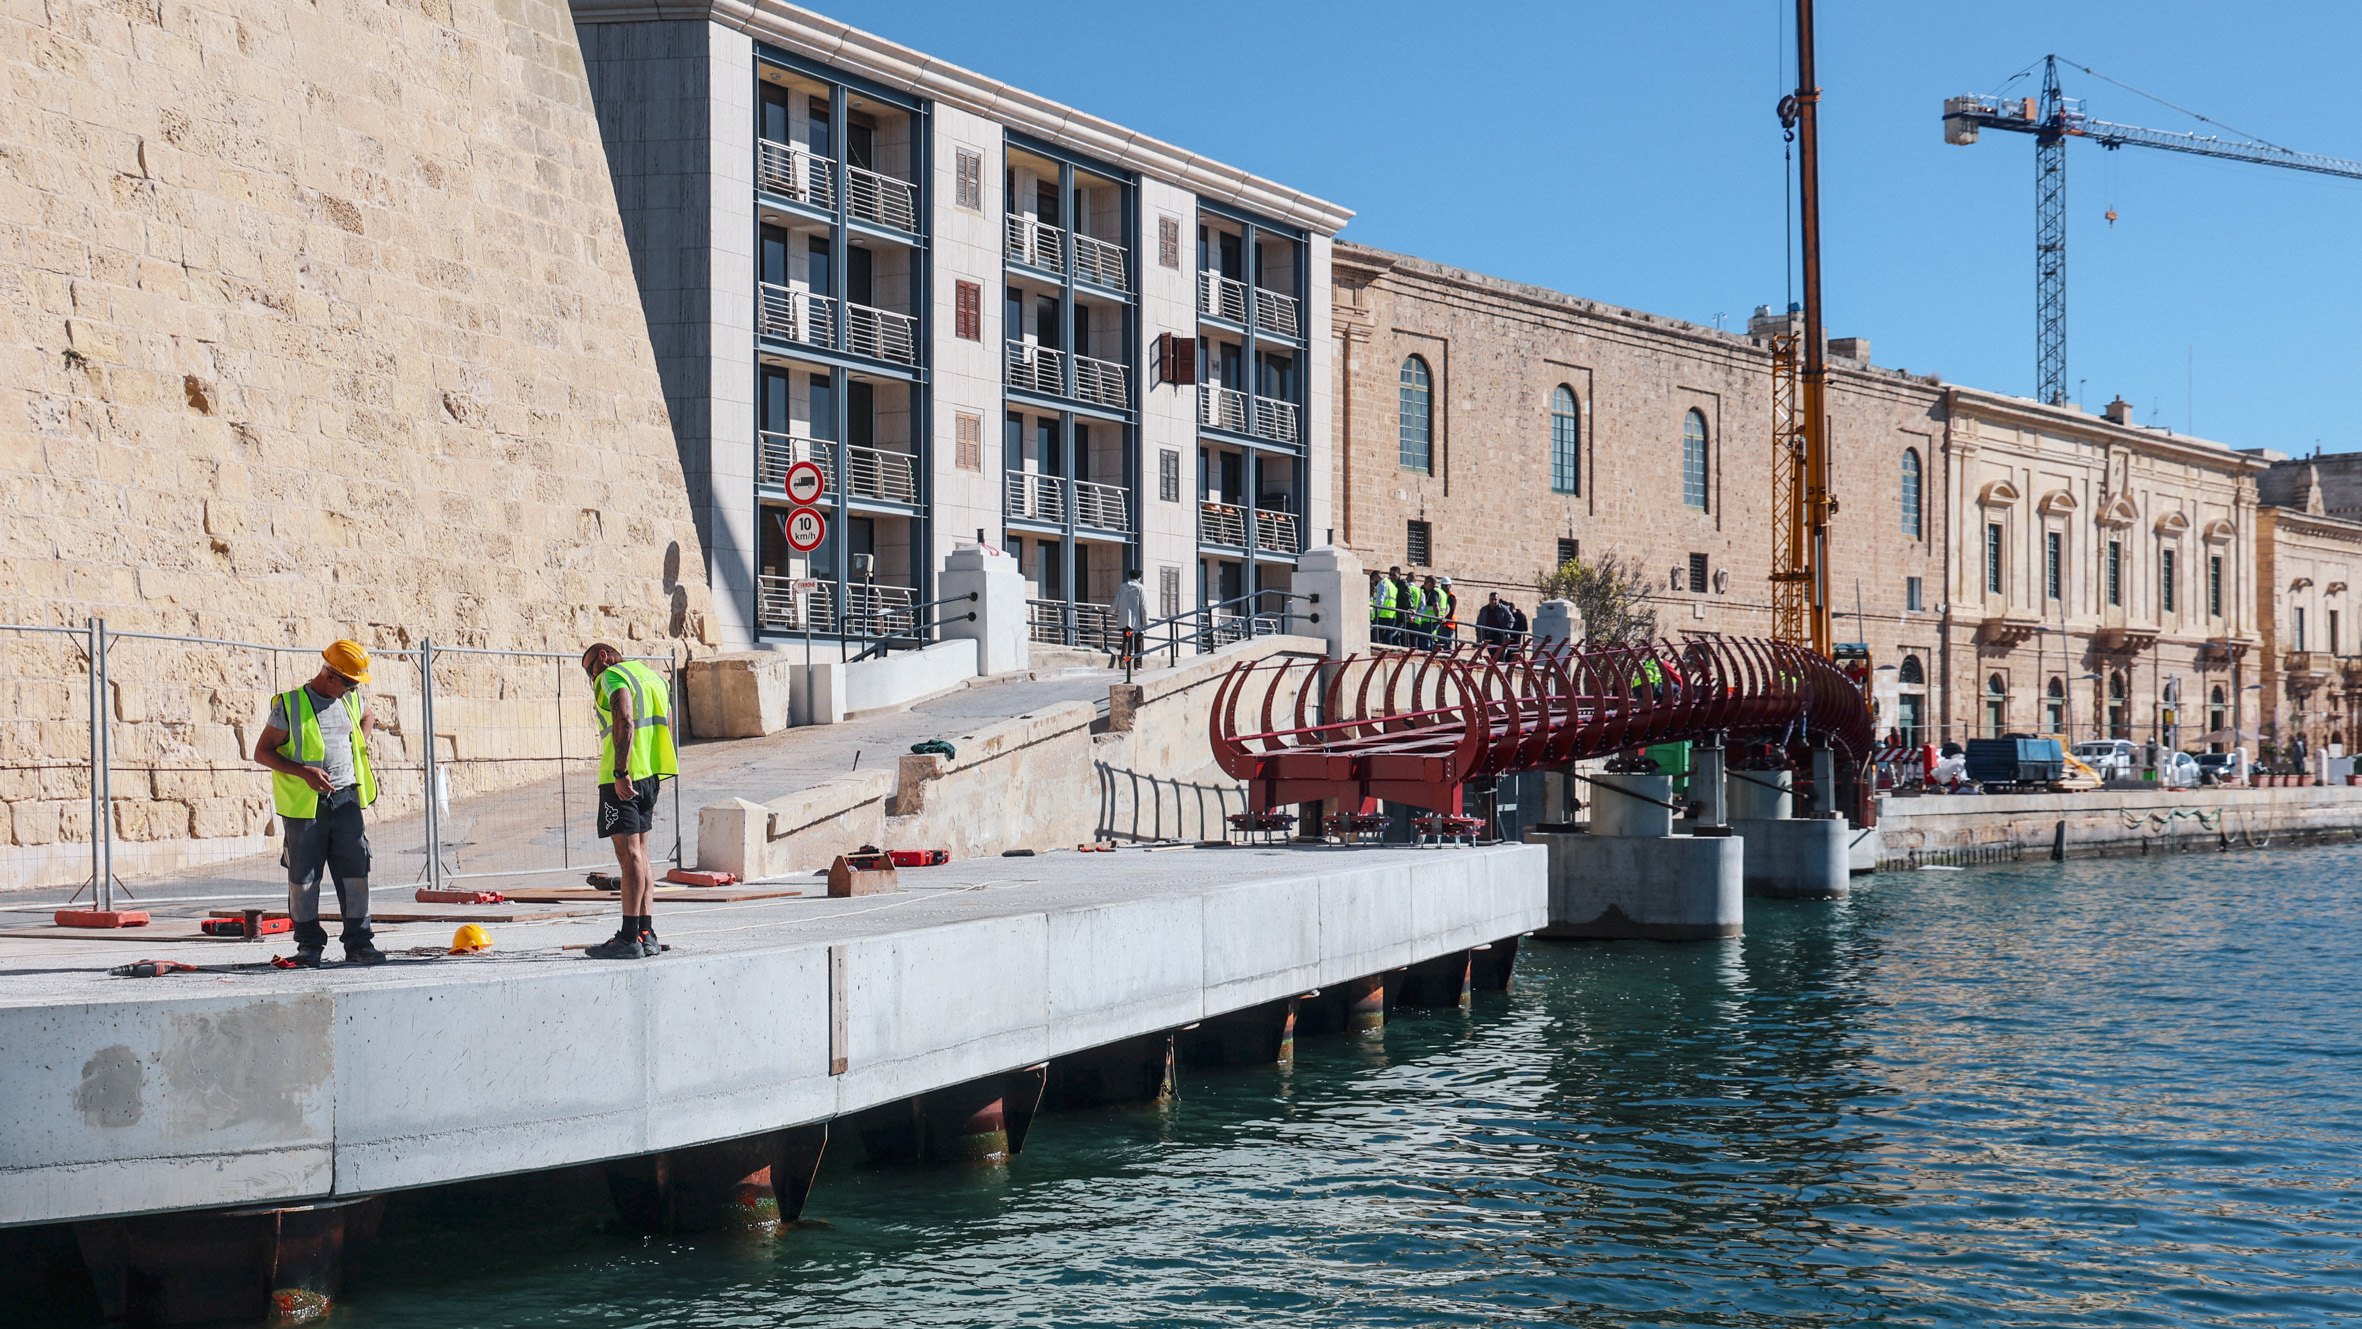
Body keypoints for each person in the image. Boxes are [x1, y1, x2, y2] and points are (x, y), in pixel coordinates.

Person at [252, 640, 383, 967]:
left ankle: (359, 943)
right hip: (305, 807)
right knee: (304, 877)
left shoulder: (350, 699)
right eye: (350, 682)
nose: (353, 689)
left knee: (355, 871)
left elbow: (368, 717)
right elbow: (262, 752)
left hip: (347, 799)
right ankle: (309, 947)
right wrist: (304, 772)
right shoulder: (291, 705)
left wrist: (357, 748)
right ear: (330, 676)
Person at [581, 642, 680, 960]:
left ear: (603, 658)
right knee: (642, 855)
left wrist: (621, 770)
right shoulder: (653, 678)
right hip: (651, 774)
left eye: (589, 668)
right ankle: (645, 933)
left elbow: (624, 718)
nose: (591, 677)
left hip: (622, 777)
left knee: (629, 857)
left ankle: (627, 938)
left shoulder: (611, 676)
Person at [1113, 568, 1148, 670]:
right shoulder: (1141, 588)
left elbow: (1116, 601)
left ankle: (1124, 657)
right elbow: (1144, 606)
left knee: (1126, 639)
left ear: (1129, 577)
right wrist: (1146, 622)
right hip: (1137, 619)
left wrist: (1109, 611)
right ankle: (1137, 664)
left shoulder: (1122, 587)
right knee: (1139, 641)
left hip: (1124, 618)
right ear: (1139, 578)